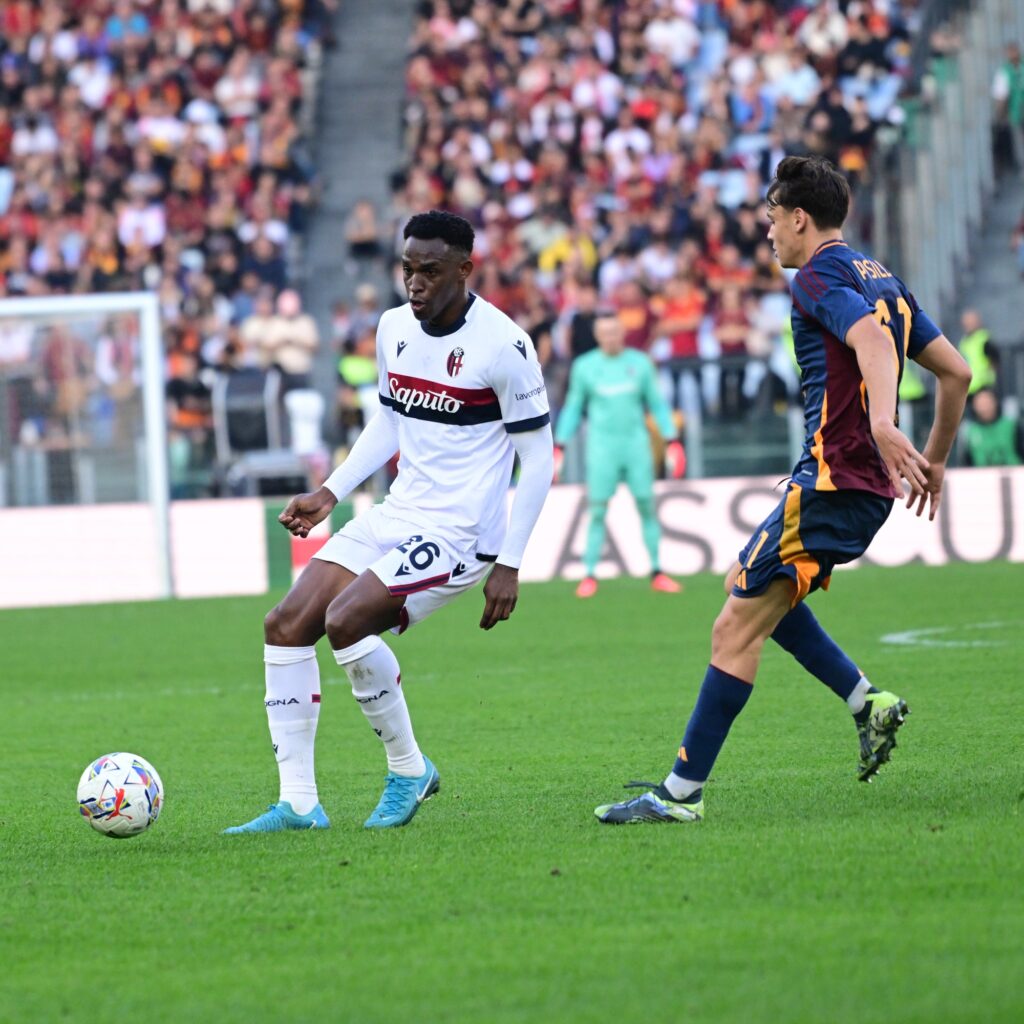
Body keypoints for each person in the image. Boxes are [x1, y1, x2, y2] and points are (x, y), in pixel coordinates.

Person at [595, 156, 972, 825]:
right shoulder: (880, 275)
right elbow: (957, 372)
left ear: (799, 218)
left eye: (772, 218)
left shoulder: (819, 274)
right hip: (862, 490)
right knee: (754, 591)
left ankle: (680, 794)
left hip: (831, 482)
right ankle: (866, 702)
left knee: (732, 626)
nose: (767, 233)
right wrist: (934, 459)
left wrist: (884, 424)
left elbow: (873, 345)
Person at [225, 211, 554, 834]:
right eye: (408, 269)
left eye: (430, 271)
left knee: (345, 620)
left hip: (461, 535)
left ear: (465, 268)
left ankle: (409, 770)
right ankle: (298, 804)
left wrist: (509, 561)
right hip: (397, 511)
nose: (415, 284)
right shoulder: (392, 328)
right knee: (285, 623)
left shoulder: (504, 346)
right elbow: (389, 419)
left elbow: (537, 460)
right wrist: (331, 490)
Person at [554, 312, 686, 599]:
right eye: (605, 333)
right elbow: (574, 407)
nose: (611, 337)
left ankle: (657, 571)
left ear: (622, 333)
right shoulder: (585, 367)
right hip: (602, 447)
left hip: (636, 445)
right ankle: (589, 574)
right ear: (598, 335)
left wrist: (672, 439)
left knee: (647, 505)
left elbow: (657, 403)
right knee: (598, 509)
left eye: (615, 331)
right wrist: (559, 444)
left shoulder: (640, 364)